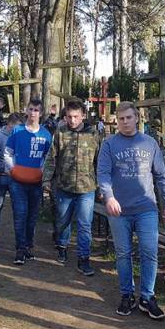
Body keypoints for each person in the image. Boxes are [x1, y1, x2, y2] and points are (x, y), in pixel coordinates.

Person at [97, 101, 165, 320]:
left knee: (149, 252)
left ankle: (147, 297)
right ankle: (127, 294)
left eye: (128, 118)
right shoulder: (109, 145)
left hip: (146, 208)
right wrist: (109, 197)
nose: (125, 122)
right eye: (121, 119)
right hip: (119, 209)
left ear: (137, 118)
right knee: (123, 253)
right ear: (116, 121)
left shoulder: (149, 143)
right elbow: (103, 174)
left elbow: (161, 175)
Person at [42, 99, 101, 276]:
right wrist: (46, 180)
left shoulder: (93, 134)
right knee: (63, 221)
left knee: (84, 224)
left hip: (86, 188)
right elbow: (52, 157)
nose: (73, 120)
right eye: (69, 116)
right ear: (65, 116)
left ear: (83, 115)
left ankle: (84, 259)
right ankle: (62, 246)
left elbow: (99, 160)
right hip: (64, 186)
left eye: (76, 116)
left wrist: (103, 185)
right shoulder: (60, 132)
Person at [4, 98, 52, 265]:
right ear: (26, 110)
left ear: (41, 113)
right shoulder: (17, 131)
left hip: (36, 181)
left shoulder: (46, 135)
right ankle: (20, 248)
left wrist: (43, 173)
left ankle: (29, 246)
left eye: (37, 110)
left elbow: (48, 157)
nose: (33, 113)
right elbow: (8, 152)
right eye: (31, 109)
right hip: (17, 181)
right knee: (20, 214)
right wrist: (12, 169)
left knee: (32, 216)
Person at [0, 112, 23, 246]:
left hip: (15, 178)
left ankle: (20, 238)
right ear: (9, 124)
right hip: (1, 177)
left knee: (18, 208)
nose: (18, 130)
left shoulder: (19, 136)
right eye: (16, 127)